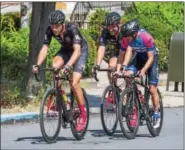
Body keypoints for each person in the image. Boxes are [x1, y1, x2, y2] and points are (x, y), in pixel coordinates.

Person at [32, 10, 88, 131]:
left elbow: (77, 51)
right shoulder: (50, 30)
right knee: (55, 65)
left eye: (56, 26)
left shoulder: (72, 29)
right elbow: (44, 49)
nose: (54, 28)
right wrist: (37, 64)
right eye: (52, 25)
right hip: (66, 50)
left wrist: (68, 66)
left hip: (80, 51)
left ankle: (83, 115)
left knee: (74, 83)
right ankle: (62, 99)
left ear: (62, 24)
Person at [117, 19, 160, 128]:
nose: (126, 38)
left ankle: (156, 112)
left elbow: (150, 58)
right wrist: (124, 66)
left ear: (135, 33)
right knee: (127, 74)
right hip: (139, 58)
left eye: (128, 36)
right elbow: (128, 52)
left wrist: (143, 70)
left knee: (152, 89)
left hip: (151, 60)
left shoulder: (146, 37)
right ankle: (135, 96)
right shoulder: (128, 38)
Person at [92, 12, 125, 84]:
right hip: (119, 51)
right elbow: (101, 47)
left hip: (130, 51)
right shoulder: (106, 31)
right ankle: (114, 89)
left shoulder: (124, 32)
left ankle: (129, 91)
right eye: (109, 26)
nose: (110, 29)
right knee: (111, 66)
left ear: (119, 24)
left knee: (128, 74)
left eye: (113, 26)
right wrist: (97, 65)